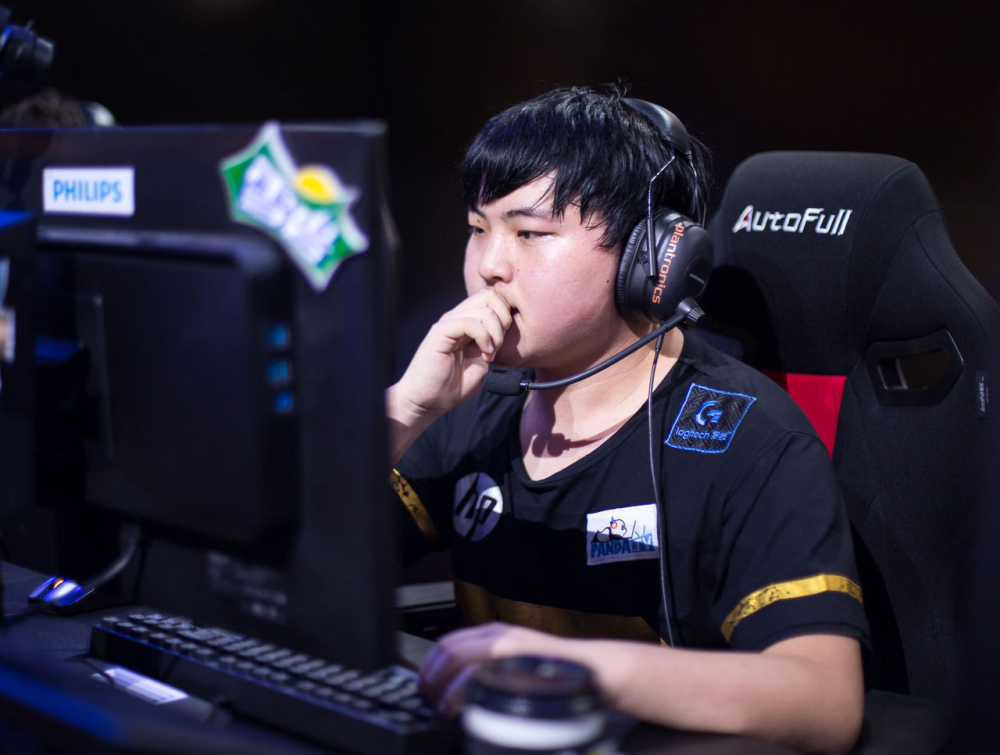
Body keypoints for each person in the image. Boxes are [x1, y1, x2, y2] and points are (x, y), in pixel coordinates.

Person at [385, 84, 869, 754]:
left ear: (650, 257)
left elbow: (826, 700)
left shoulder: (754, 440)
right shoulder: (464, 404)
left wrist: (576, 669)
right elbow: (287, 560)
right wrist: (405, 408)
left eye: (529, 234)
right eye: (477, 229)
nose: (489, 266)